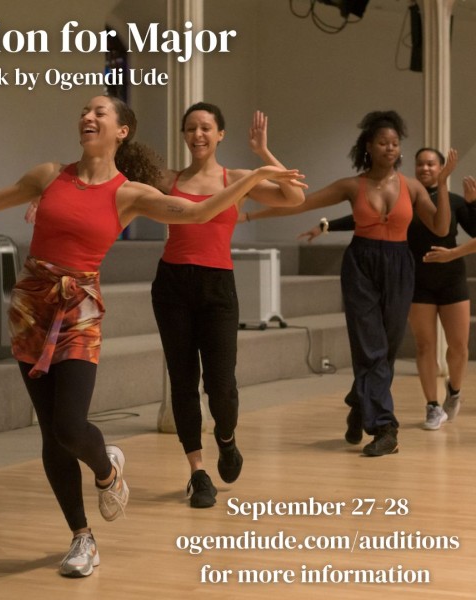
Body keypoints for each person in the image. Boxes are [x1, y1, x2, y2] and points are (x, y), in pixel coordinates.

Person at [0, 95, 305, 577]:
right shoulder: (48, 175)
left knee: (70, 425)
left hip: (80, 307)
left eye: (99, 112)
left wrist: (252, 177)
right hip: (31, 305)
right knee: (50, 433)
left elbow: (195, 214)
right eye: (85, 111)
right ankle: (82, 537)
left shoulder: (131, 193)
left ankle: (106, 470)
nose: (88, 116)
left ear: (121, 130)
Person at [240, 110, 457, 456]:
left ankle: (360, 401)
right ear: (369, 146)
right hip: (361, 265)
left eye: (395, 143)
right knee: (370, 348)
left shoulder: (413, 187)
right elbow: (300, 202)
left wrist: (443, 184)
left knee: (384, 349)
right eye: (383, 142)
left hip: (400, 265)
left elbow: (442, 228)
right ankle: (385, 427)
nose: (390, 148)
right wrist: (251, 214)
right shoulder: (350, 185)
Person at [150, 105, 306, 508]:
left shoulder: (235, 178)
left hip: (217, 286)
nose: (197, 134)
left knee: (221, 386)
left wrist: (263, 154)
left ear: (220, 134)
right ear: (183, 135)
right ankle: (198, 473)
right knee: (182, 380)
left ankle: (227, 439)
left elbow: (294, 196)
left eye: (206, 128)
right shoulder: (169, 180)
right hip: (172, 285)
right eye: (190, 128)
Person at [294, 153, 476, 431]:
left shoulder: (452, 201)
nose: (425, 168)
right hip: (416, 279)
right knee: (425, 345)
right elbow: (368, 217)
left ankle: (453, 390)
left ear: (442, 168)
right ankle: (432, 405)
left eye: (431, 164)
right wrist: (327, 225)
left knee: (459, 348)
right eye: (421, 163)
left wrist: (472, 207)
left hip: (452, 279)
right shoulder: (405, 194)